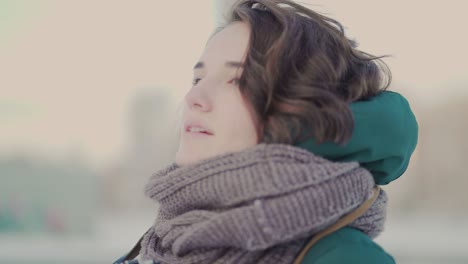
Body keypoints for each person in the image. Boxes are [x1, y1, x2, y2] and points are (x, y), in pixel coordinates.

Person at [114, 0, 418, 263]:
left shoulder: (343, 258)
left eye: (236, 80)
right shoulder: (167, 240)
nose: (194, 98)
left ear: (299, 108)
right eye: (198, 78)